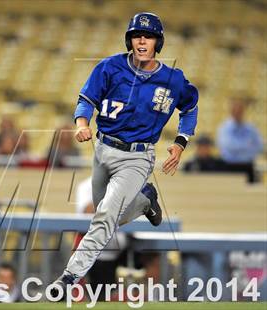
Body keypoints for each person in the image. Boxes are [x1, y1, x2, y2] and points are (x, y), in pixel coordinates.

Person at [51, 12, 198, 296]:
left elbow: (190, 107)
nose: (142, 41)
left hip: (137, 156)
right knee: (105, 214)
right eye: (137, 36)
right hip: (103, 148)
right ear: (130, 40)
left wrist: (180, 142)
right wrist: (82, 123)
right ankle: (144, 202)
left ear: (158, 42)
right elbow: (86, 100)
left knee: (105, 216)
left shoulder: (172, 79)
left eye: (149, 36)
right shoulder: (110, 67)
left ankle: (69, 277)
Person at [217, 98, 263, 183]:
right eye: (235, 110)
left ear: (243, 111)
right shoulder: (224, 128)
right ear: (231, 112)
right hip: (229, 167)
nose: (237, 113)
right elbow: (228, 147)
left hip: (248, 166)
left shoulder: (251, 128)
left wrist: (241, 148)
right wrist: (247, 146)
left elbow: (259, 146)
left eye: (240, 110)